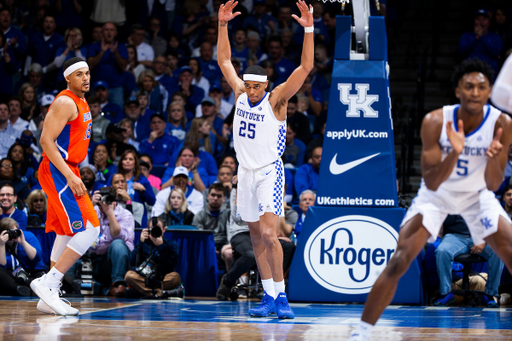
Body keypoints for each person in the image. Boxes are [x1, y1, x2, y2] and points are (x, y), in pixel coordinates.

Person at [348, 58, 512, 341]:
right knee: (400, 259)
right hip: (438, 195)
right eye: (468, 86)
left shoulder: (501, 122)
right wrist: (455, 152)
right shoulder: (435, 121)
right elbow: (433, 180)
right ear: (458, 90)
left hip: (477, 196)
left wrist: (495, 158)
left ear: (489, 92)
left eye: (481, 87)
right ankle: (361, 333)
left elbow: (494, 183)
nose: (475, 92)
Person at [217, 0, 314, 319]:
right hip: (244, 174)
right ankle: (268, 296)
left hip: (269, 173)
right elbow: (224, 59)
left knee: (271, 235)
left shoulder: (277, 100)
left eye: (257, 86)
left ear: (267, 86)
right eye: (249, 86)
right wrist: (222, 25)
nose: (252, 91)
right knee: (256, 236)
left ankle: (282, 296)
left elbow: (304, 69)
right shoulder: (241, 94)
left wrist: (309, 30)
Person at [29, 57, 101, 317]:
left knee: (65, 231)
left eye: (88, 73)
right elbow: (46, 141)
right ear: (68, 78)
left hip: (67, 168)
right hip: (59, 169)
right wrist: (69, 176)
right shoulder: (64, 101)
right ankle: (49, 282)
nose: (85, 78)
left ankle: (48, 297)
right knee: (92, 228)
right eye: (79, 74)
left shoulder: (81, 101)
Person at [433, 215, 503, 307]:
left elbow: (491, 218)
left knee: (499, 251)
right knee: (442, 251)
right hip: (455, 236)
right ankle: (446, 293)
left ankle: (490, 294)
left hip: (480, 236)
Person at [89, 187, 135, 297]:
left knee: (117, 244)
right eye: (101, 200)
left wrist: (109, 213)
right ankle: (104, 289)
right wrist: (90, 205)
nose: (103, 203)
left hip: (114, 260)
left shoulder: (126, 214)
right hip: (93, 258)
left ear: (113, 200)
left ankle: (119, 284)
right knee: (70, 265)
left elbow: (117, 235)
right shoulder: (93, 210)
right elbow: (79, 230)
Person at [124, 216, 183, 299]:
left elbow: (172, 264)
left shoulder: (171, 244)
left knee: (175, 277)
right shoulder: (143, 242)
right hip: (144, 279)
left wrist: (161, 246)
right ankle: (160, 293)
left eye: (158, 228)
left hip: (163, 279)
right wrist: (140, 244)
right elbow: (132, 262)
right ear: (148, 229)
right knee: (128, 275)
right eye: (152, 228)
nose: (155, 231)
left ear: (164, 229)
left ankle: (143, 292)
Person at [0, 218, 45, 296]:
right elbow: (2, 265)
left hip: (33, 272)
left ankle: (21, 290)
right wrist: (2, 244)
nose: (11, 234)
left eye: (14, 231)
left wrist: (23, 242)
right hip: (14, 276)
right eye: (9, 232)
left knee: (36, 282)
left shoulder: (28, 236)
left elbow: (37, 258)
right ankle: (19, 289)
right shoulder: (1, 242)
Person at [87, 22, 128, 108]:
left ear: (116, 33)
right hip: (97, 87)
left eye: (111, 30)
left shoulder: (121, 47)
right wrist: (102, 52)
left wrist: (115, 53)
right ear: (102, 32)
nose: (109, 32)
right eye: (106, 30)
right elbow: (90, 65)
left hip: (115, 87)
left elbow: (124, 67)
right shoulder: (94, 47)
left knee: (117, 114)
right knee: (93, 113)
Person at [192, 183, 231, 269]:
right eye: (213, 195)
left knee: (230, 254)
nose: (215, 198)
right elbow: (199, 236)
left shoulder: (229, 214)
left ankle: (230, 281)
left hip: (225, 246)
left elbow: (232, 234)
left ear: (224, 199)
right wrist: (209, 246)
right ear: (207, 196)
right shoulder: (199, 215)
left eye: (219, 196)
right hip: (205, 245)